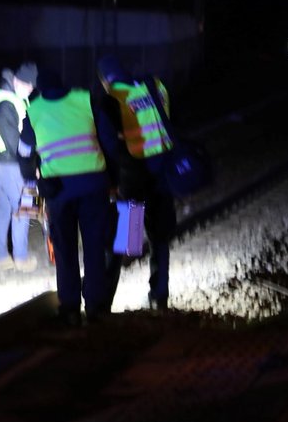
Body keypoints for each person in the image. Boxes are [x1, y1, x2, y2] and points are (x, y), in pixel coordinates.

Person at [17, 67, 118, 326]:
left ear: (40, 90)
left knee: (64, 249)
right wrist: (113, 178)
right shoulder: (85, 100)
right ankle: (96, 306)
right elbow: (110, 142)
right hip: (94, 186)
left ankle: (70, 308)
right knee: (96, 246)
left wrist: (35, 180)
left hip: (58, 191)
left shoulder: (34, 111)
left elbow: (24, 152)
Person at [96, 55, 177, 311]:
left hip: (133, 177)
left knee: (123, 240)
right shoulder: (154, 86)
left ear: (104, 80)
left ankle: (103, 301)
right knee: (159, 235)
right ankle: (159, 296)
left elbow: (108, 148)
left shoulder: (112, 99)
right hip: (161, 171)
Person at [0, 62, 38, 271]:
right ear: (17, 80)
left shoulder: (15, 96)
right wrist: (31, 165)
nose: (30, 89)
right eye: (27, 85)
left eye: (33, 86)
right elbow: (14, 141)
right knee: (24, 206)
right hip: (6, 161)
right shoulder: (5, 101)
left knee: (5, 205)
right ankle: (21, 258)